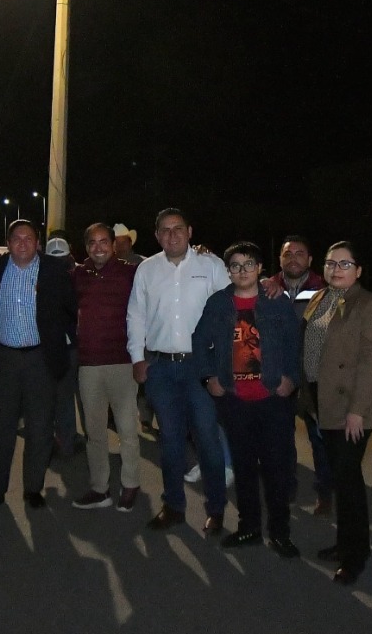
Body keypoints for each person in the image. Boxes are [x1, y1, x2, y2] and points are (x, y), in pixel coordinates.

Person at [192, 241, 304, 558]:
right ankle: (249, 528)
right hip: (234, 400)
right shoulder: (218, 303)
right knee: (243, 468)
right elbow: (199, 343)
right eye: (236, 266)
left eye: (249, 264)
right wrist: (207, 378)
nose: (243, 270)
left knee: (275, 468)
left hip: (272, 399)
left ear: (259, 268)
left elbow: (294, 343)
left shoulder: (275, 301)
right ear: (228, 271)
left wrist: (291, 379)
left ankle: (280, 532)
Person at [128, 207, 234, 533]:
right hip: (160, 368)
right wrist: (137, 357)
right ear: (157, 235)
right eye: (165, 230)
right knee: (170, 441)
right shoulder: (146, 270)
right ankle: (173, 505)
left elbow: (232, 310)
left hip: (201, 367)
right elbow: (136, 315)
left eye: (178, 229)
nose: (172, 235)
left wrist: (221, 367)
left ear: (190, 231)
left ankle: (215, 509)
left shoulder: (212, 266)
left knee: (208, 441)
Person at [300, 241, 372, 585]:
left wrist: (357, 411)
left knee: (348, 480)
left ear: (359, 270)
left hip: (352, 408)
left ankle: (356, 554)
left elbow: (371, 361)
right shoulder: (320, 298)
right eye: (331, 263)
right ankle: (345, 542)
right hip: (323, 404)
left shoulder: (368, 304)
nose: (336, 269)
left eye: (345, 264)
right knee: (340, 477)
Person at [0, 219, 78, 512]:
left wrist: (62, 346)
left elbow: (71, 310)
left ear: (38, 243)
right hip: (4, 359)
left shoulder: (54, 271)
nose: (22, 243)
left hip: (40, 360)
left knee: (40, 427)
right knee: (1, 428)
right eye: (17, 238)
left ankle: (33, 488)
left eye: (29, 238)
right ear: (8, 243)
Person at [71, 222, 143, 511]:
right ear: (86, 246)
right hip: (88, 365)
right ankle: (100, 488)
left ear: (114, 245)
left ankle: (131, 484)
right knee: (95, 432)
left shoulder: (131, 273)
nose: (98, 247)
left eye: (104, 242)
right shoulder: (78, 274)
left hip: (123, 363)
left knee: (127, 429)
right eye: (93, 243)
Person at [269, 235, 332, 515]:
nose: (293, 258)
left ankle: (325, 492)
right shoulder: (268, 288)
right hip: (281, 374)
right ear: (280, 259)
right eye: (287, 254)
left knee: (320, 439)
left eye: (299, 253)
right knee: (281, 437)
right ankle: (287, 486)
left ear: (309, 260)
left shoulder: (326, 290)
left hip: (314, 376)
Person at [45, 234, 84, 460]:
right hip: (68, 346)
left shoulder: (42, 274)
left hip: (59, 347)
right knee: (68, 398)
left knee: (60, 398)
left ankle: (63, 442)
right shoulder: (78, 273)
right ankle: (70, 442)